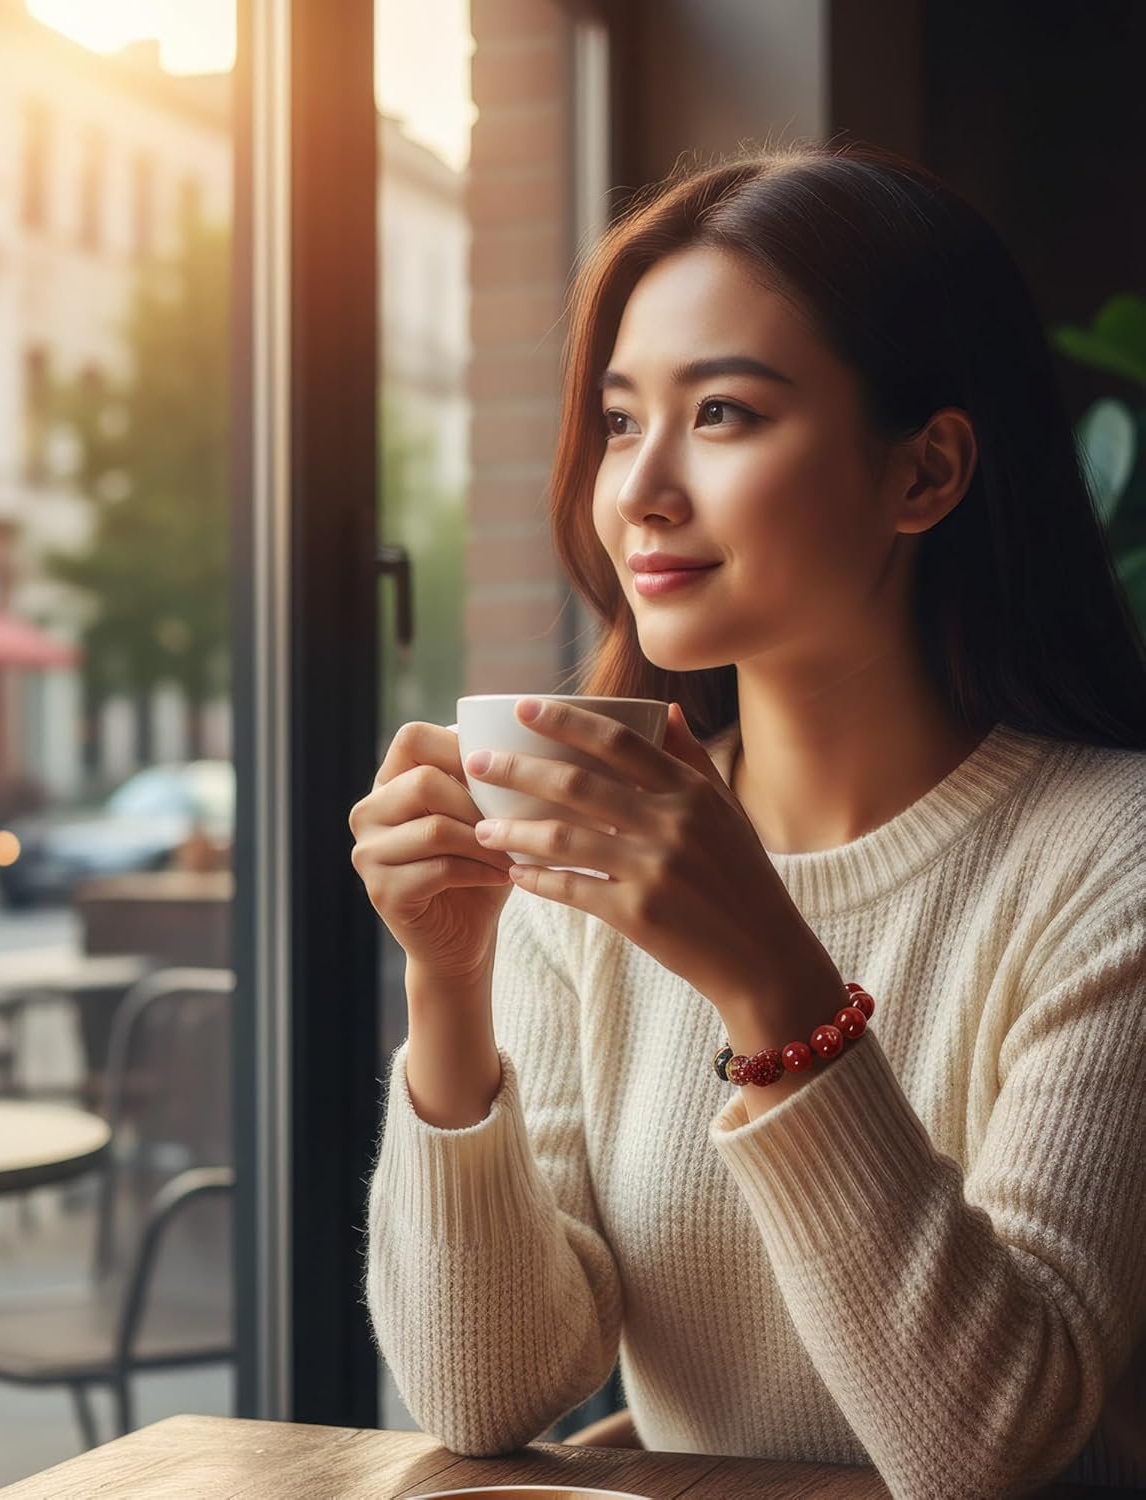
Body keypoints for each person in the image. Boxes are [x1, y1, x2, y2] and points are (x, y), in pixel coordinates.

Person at [350, 141, 1146, 1499]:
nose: (640, 489)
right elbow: (486, 1394)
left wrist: (771, 978)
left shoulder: (1107, 854)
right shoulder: (589, 857)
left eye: (721, 413)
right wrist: (450, 980)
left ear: (925, 474)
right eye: (618, 419)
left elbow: (984, 1449)